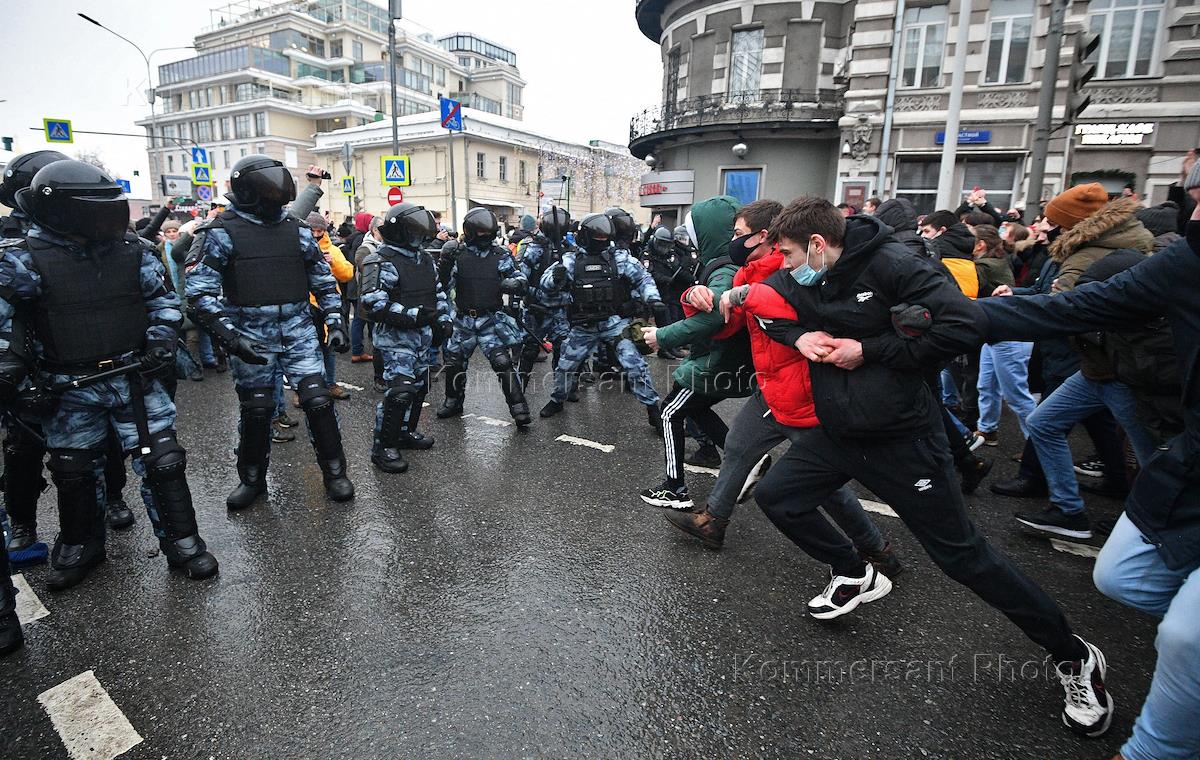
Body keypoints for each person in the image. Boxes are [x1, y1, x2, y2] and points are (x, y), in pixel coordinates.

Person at [743, 198, 1113, 739]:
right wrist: (794, 335)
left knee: (963, 559)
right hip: (839, 431)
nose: (788, 265)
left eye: (794, 254)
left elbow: (961, 328)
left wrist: (865, 350)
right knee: (780, 497)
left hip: (902, 439)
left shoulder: (896, 264)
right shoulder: (804, 272)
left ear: (819, 244)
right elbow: (765, 304)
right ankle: (854, 571)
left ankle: (1074, 655)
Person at [976, 180, 1200, 760]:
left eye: (1051, 222)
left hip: (1131, 376)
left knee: (1184, 637)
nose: (1194, 206)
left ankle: (1152, 745)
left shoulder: (1106, 252)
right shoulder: (1181, 259)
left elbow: (1074, 307)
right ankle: (1075, 506)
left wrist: (978, 314)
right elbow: (1073, 306)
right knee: (1121, 573)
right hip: (1112, 373)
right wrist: (979, 312)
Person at [6, 159, 219, 589]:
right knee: (73, 468)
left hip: (134, 376)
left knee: (163, 460)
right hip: (67, 385)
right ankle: (82, 544)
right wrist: (17, 381)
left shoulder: (132, 252)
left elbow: (162, 302)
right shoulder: (21, 261)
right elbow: (7, 326)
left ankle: (182, 541)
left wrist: (161, 340)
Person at [187, 155, 354, 509]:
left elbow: (322, 279)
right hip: (250, 334)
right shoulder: (220, 232)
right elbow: (199, 293)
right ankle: (251, 480)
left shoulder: (295, 229)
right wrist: (231, 337)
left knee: (317, 400)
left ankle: (335, 473)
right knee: (258, 408)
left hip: (298, 330)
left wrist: (335, 321)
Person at [638, 196, 759, 509]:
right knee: (695, 409)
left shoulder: (723, 270)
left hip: (714, 363)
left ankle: (674, 488)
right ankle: (746, 464)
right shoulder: (731, 265)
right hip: (728, 361)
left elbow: (715, 315)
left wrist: (663, 335)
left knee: (669, 412)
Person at [538, 213, 667, 428]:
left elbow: (643, 277)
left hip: (613, 323)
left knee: (635, 365)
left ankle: (653, 409)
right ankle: (557, 400)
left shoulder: (618, 258)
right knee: (565, 367)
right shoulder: (570, 260)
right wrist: (555, 278)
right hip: (583, 326)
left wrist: (653, 299)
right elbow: (545, 284)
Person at [360, 203, 450, 473]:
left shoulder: (423, 259)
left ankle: (404, 434)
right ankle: (383, 447)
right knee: (399, 392)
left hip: (421, 338)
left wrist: (443, 320)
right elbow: (373, 303)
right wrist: (414, 316)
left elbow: (438, 293)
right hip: (395, 339)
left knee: (419, 388)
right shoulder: (380, 260)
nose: (418, 240)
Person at [435, 207, 531, 426]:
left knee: (502, 363)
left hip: (490, 320)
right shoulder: (457, 254)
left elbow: (519, 277)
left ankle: (519, 407)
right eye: (481, 234)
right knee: (455, 363)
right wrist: (445, 262)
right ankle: (453, 401)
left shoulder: (500, 254)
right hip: (463, 319)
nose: (484, 239)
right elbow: (441, 285)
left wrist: (516, 283)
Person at [971, 224, 1034, 448]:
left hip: (1008, 335)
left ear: (981, 245)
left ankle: (1036, 447)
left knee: (1016, 395)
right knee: (986, 385)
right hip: (998, 332)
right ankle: (987, 429)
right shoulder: (996, 261)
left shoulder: (983, 266)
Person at [516, 207, 573, 391]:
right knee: (530, 349)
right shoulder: (533, 248)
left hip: (561, 309)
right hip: (537, 308)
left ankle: (561, 390)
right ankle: (519, 388)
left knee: (562, 351)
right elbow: (521, 278)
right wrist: (530, 297)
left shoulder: (570, 250)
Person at [305, 212, 355, 400]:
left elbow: (347, 273)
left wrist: (332, 263)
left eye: (320, 230)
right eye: (313, 230)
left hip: (328, 306)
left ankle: (331, 383)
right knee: (307, 350)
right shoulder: (298, 248)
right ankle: (303, 390)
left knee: (329, 347)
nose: (316, 234)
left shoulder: (333, 249)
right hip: (305, 305)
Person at [641, 226, 696, 359]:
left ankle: (667, 348)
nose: (663, 248)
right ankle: (642, 348)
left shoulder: (669, 254)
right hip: (651, 294)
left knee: (666, 323)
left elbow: (676, 265)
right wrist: (665, 279)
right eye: (662, 244)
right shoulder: (647, 254)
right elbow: (648, 274)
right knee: (642, 324)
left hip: (665, 294)